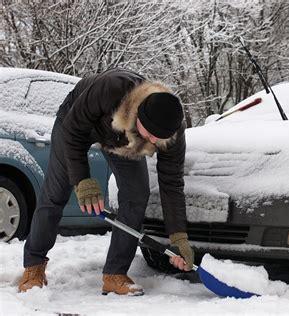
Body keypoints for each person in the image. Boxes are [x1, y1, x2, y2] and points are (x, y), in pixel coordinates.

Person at [18, 68, 193, 296]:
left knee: (137, 193)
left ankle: (115, 274)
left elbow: (171, 183)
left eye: (157, 140)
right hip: (75, 124)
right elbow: (73, 131)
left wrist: (179, 235)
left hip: (122, 138)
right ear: (139, 114)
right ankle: (34, 265)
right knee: (56, 191)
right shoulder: (111, 88)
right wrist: (83, 181)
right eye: (149, 134)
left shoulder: (172, 131)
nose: (152, 141)